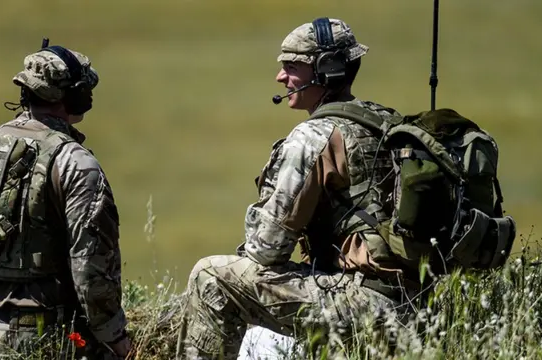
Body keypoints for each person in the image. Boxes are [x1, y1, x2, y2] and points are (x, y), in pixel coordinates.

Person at [176, 17, 420, 360]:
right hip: (417, 304)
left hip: (366, 307)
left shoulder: (313, 138)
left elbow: (266, 249)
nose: (280, 77)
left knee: (211, 277)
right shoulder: (384, 123)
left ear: (326, 71)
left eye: (292, 66)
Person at [0, 43, 132, 359]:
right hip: (43, 335)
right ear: (72, 96)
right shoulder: (76, 164)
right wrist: (117, 340)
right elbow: (91, 272)